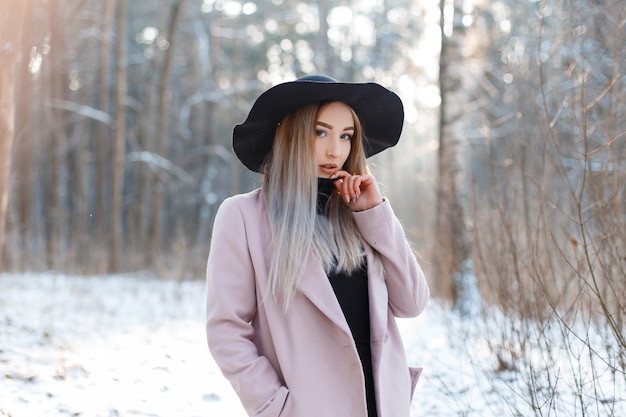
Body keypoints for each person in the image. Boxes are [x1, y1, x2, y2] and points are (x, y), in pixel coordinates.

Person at [205, 75, 430, 417]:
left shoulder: (362, 214)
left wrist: (375, 214)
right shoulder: (243, 217)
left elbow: (412, 303)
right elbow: (227, 330)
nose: (335, 150)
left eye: (346, 136)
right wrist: (274, 406)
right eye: (320, 132)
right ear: (292, 134)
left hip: (381, 405)